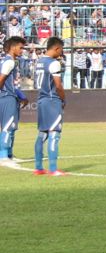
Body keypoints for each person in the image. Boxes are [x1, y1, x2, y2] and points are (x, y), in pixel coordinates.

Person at [32, 37, 68, 176]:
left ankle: (38, 167)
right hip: (52, 100)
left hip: (41, 100)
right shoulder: (54, 63)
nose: (62, 52)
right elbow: (58, 85)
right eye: (62, 49)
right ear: (57, 48)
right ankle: (53, 169)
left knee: (42, 133)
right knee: (54, 133)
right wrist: (63, 99)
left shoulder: (39, 61)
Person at [0, 36, 26, 169]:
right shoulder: (9, 62)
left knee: (12, 127)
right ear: (13, 47)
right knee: (7, 127)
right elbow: (1, 80)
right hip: (6, 98)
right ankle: (3, 156)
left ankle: (9, 154)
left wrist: (22, 96)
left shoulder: (10, 62)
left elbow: (12, 84)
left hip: (11, 97)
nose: (22, 50)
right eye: (21, 48)